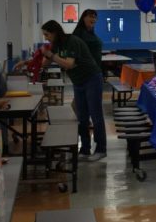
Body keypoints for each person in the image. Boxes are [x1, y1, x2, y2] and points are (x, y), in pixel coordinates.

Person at [41, 20, 107, 160]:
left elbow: (69, 64)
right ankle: (84, 149)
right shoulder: (56, 45)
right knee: (82, 117)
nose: (45, 37)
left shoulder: (72, 41)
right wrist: (46, 53)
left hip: (91, 79)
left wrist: (52, 55)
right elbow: (45, 64)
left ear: (54, 32)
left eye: (47, 34)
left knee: (96, 115)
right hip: (78, 81)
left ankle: (101, 149)